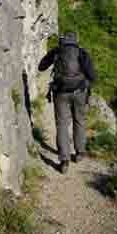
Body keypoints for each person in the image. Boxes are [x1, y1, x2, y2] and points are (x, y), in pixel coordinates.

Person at [38, 32, 96, 174]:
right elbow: (93, 75)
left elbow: (41, 67)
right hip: (79, 93)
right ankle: (80, 153)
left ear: (62, 42)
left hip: (61, 92)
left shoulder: (56, 52)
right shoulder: (82, 53)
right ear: (76, 41)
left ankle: (64, 161)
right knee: (79, 121)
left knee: (62, 124)